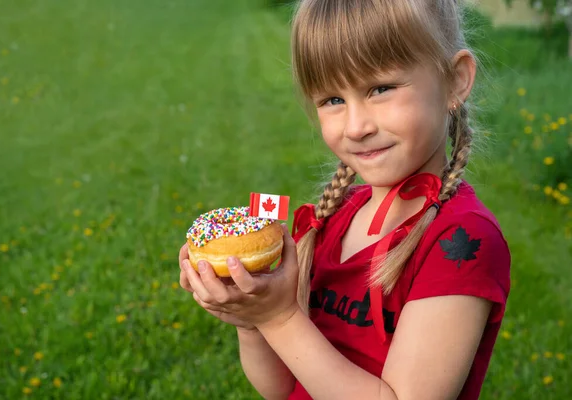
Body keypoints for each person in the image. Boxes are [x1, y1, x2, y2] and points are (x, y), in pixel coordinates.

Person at [178, 0, 511, 398]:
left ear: (455, 81)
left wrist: (281, 318)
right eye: (332, 100)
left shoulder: (461, 240)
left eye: (380, 89)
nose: (356, 127)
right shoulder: (336, 218)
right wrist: (254, 321)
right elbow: (283, 388)